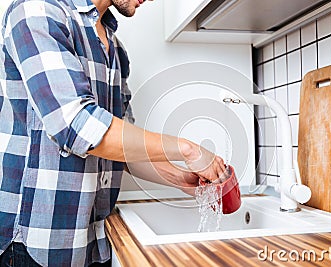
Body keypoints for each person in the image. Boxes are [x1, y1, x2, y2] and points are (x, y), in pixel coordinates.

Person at [0, 0, 227, 266]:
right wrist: (188, 149)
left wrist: (182, 179)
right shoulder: (37, 11)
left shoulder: (115, 49)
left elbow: (124, 150)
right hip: (37, 244)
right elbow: (76, 124)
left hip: (95, 240)